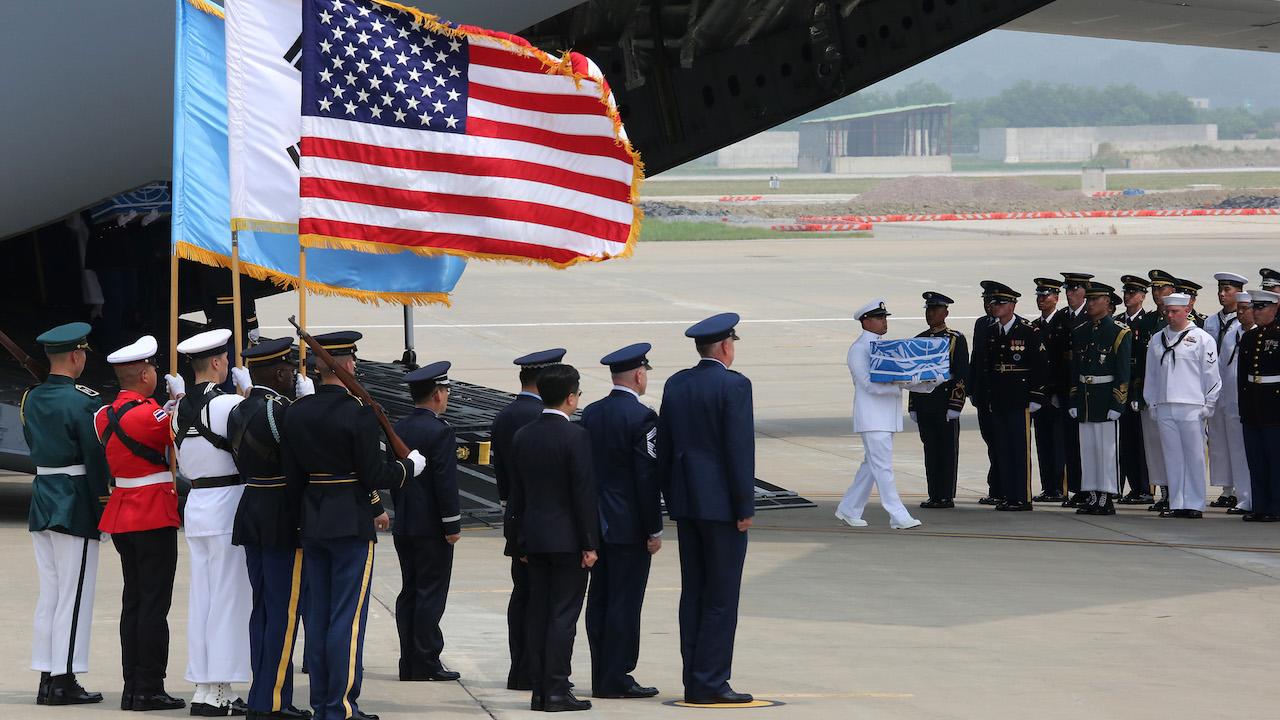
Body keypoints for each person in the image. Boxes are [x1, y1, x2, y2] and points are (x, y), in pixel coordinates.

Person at [281, 331, 426, 720]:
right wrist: (408, 468)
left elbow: (294, 478)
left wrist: (300, 521)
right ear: (345, 366)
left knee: (320, 615)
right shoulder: (359, 413)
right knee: (346, 617)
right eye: (354, 361)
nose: (356, 366)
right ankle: (340, 705)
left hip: (312, 522)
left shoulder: (297, 411)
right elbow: (373, 473)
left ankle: (321, 702)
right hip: (349, 524)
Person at [657, 313, 755, 705]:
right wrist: (744, 505)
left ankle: (694, 676)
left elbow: (663, 447)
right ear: (726, 347)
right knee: (720, 595)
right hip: (721, 508)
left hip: (687, 504)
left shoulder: (677, 383)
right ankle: (711, 681)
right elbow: (738, 450)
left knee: (693, 592)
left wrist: (671, 494)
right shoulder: (734, 385)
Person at [94, 335, 185, 711]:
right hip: (152, 513)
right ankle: (149, 686)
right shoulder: (154, 415)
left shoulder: (102, 416)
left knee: (133, 601)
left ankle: (133, 683)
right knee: (153, 605)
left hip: (122, 512)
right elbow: (179, 434)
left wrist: (165, 407)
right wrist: (179, 403)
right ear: (145, 373)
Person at [22, 322, 110, 706]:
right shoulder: (84, 402)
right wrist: (103, 507)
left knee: (52, 594)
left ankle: (47, 671)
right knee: (73, 595)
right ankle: (64, 680)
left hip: (42, 497)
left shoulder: (30, 398)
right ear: (76, 356)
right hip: (74, 501)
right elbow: (95, 460)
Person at [227, 337, 314, 720]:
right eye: (291, 371)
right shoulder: (285, 412)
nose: (294, 376)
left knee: (262, 609)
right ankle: (273, 701)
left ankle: (263, 692)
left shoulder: (238, 408)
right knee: (282, 610)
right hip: (281, 514)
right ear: (280, 373)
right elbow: (302, 462)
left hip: (252, 509)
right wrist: (306, 406)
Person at [507, 364, 600, 712]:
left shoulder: (524, 435)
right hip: (568, 541)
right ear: (571, 397)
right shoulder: (576, 437)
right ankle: (558, 690)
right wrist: (590, 543)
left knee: (539, 614)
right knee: (563, 617)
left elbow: (517, 496)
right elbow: (583, 494)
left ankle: (540, 690)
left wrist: (518, 542)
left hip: (534, 539)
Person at [170, 328, 253, 715]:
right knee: (227, 600)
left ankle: (207, 686)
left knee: (203, 600)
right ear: (219, 362)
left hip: (197, 504)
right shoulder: (227, 406)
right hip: (227, 504)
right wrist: (249, 398)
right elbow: (253, 446)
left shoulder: (176, 410)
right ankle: (217, 689)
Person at [581, 344, 663, 699]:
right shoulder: (642, 418)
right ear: (640, 375)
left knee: (598, 600)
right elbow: (645, 477)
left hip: (595, 524)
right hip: (629, 526)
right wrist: (653, 527)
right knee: (625, 603)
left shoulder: (591, 413)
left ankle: (602, 672)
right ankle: (618, 676)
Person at [491, 348, 566, 692]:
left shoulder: (505, 415)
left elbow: (504, 479)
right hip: (543, 519)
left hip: (515, 515)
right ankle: (537, 670)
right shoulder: (542, 417)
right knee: (543, 600)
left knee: (522, 595)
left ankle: (519, 668)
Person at [391, 361, 463, 683]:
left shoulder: (399, 427)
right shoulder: (441, 431)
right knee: (431, 595)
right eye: (445, 391)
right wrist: (452, 524)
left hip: (405, 523)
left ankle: (409, 660)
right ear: (437, 394)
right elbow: (445, 483)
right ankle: (426, 660)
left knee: (410, 592)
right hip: (432, 527)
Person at [838, 299, 929, 529]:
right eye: (879, 318)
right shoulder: (859, 349)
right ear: (865, 321)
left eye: (885, 317)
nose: (884, 321)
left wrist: (926, 383)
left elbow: (900, 378)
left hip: (885, 417)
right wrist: (901, 383)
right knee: (883, 467)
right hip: (872, 418)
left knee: (871, 466)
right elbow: (868, 385)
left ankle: (849, 509)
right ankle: (898, 515)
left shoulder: (882, 348)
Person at [1143, 293, 1221, 519]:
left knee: (1194, 456)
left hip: (1192, 405)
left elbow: (1211, 375)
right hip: (1165, 404)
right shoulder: (1158, 338)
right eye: (1167, 311)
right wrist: (1152, 402)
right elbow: (1152, 375)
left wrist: (1210, 403)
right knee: (1172, 456)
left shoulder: (1202, 338)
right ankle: (1177, 502)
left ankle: (1195, 503)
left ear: (1187, 310)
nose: (1169, 315)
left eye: (1175, 311)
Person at [971, 282, 1047, 511]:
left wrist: (1036, 396)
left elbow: (1040, 366)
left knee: (1019, 449)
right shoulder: (992, 332)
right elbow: (986, 366)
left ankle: (1022, 497)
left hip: (1020, 398)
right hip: (999, 398)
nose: (995, 306)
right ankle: (1008, 494)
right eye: (993, 303)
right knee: (1002, 448)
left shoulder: (1027, 330)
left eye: (1001, 303)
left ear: (1012, 305)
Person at [1067, 283, 1132, 515]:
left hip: (1105, 399)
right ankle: (1092, 494)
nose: (1091, 303)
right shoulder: (1082, 331)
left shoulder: (1119, 331)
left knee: (1106, 451)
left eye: (1096, 299)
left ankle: (1106, 496)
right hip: (1086, 398)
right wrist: (1074, 400)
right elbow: (1075, 370)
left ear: (1108, 302)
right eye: (1089, 299)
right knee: (1089, 450)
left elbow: (1123, 372)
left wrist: (1118, 402)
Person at [909, 293, 968, 509]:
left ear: (946, 313)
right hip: (926, 404)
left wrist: (955, 405)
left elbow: (961, 374)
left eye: (935, 310)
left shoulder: (955, 339)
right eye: (928, 309)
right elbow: (912, 376)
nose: (930, 313)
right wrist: (913, 405)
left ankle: (945, 495)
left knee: (947, 451)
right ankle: (934, 493)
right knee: (930, 451)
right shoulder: (918, 340)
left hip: (944, 404)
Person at [1204, 272, 1247, 508]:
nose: (1222, 294)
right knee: (1218, 440)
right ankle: (1226, 488)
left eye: (1227, 290)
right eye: (1220, 290)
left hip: (1234, 388)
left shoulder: (1243, 322)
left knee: (1236, 440)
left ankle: (1241, 490)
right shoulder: (1211, 322)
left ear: (1239, 292)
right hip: (1215, 387)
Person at [1050, 272, 1093, 507]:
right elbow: (1056, 358)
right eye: (1067, 289)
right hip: (1066, 389)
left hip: (1086, 390)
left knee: (1086, 443)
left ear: (1085, 292)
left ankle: (1089, 488)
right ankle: (1076, 488)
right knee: (1070, 443)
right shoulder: (1062, 317)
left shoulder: (1091, 316)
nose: (1069, 293)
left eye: (1074, 289)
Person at [1138, 269, 1179, 512]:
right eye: (1154, 289)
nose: (1156, 293)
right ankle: (1164, 491)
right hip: (1152, 393)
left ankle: (1176, 491)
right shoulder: (1148, 321)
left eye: (1161, 288)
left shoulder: (1180, 321)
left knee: (1172, 447)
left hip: (1174, 395)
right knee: (1154, 446)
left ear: (1172, 291)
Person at [1238, 290, 1280, 522]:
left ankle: (1275, 506)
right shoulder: (1249, 338)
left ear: (1275, 308)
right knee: (1256, 459)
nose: (1255, 312)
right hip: (1253, 406)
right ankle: (1260, 504)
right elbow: (1242, 377)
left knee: (1275, 459)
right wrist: (1244, 407)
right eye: (1254, 308)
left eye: (1261, 308)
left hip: (1275, 406)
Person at [1029, 278, 1067, 503]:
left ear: (1056, 298)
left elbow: (1061, 362)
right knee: (1043, 442)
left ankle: (1060, 486)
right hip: (1040, 395)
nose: (1042, 300)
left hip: (1056, 394)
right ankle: (1048, 486)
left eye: (1046, 296)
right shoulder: (1035, 326)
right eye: (1039, 296)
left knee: (1057, 442)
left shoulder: (1063, 323)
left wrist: (1057, 391)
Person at [1115, 275, 1152, 504]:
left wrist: (1140, 393)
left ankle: (1144, 487)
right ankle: (1130, 486)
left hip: (1138, 388)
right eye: (1126, 292)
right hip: (1121, 387)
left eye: (1133, 292)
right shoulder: (1117, 321)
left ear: (1142, 296)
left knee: (1140, 442)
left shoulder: (1146, 322)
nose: (1128, 296)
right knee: (1124, 441)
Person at [1219, 293, 1254, 517]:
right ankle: (1243, 498)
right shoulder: (1232, 335)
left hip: (1254, 405)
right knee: (1238, 453)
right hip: (1232, 403)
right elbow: (1222, 368)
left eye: (1245, 309)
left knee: (1256, 453)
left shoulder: (1259, 335)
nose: (1241, 313)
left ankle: (1257, 497)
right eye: (1239, 309)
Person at [969, 295, 1002, 504]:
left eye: (993, 302)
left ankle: (1002, 487)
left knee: (1002, 443)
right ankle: (996, 487)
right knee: (991, 441)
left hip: (1000, 396)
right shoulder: (981, 323)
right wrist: (972, 390)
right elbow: (976, 358)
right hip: (983, 395)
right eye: (986, 301)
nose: (988, 306)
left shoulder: (1011, 326)